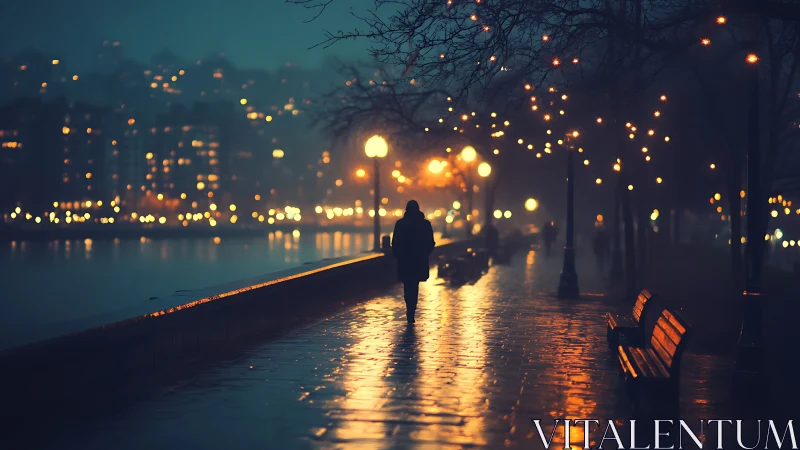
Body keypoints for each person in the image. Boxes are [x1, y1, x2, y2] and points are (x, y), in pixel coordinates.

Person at [391, 200, 436, 324]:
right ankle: (412, 310)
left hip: (405, 261)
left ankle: (409, 309)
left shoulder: (400, 224)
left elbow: (395, 244)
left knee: (407, 286)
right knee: (414, 286)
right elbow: (431, 243)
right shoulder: (425, 224)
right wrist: (423, 254)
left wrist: (399, 256)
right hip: (418, 261)